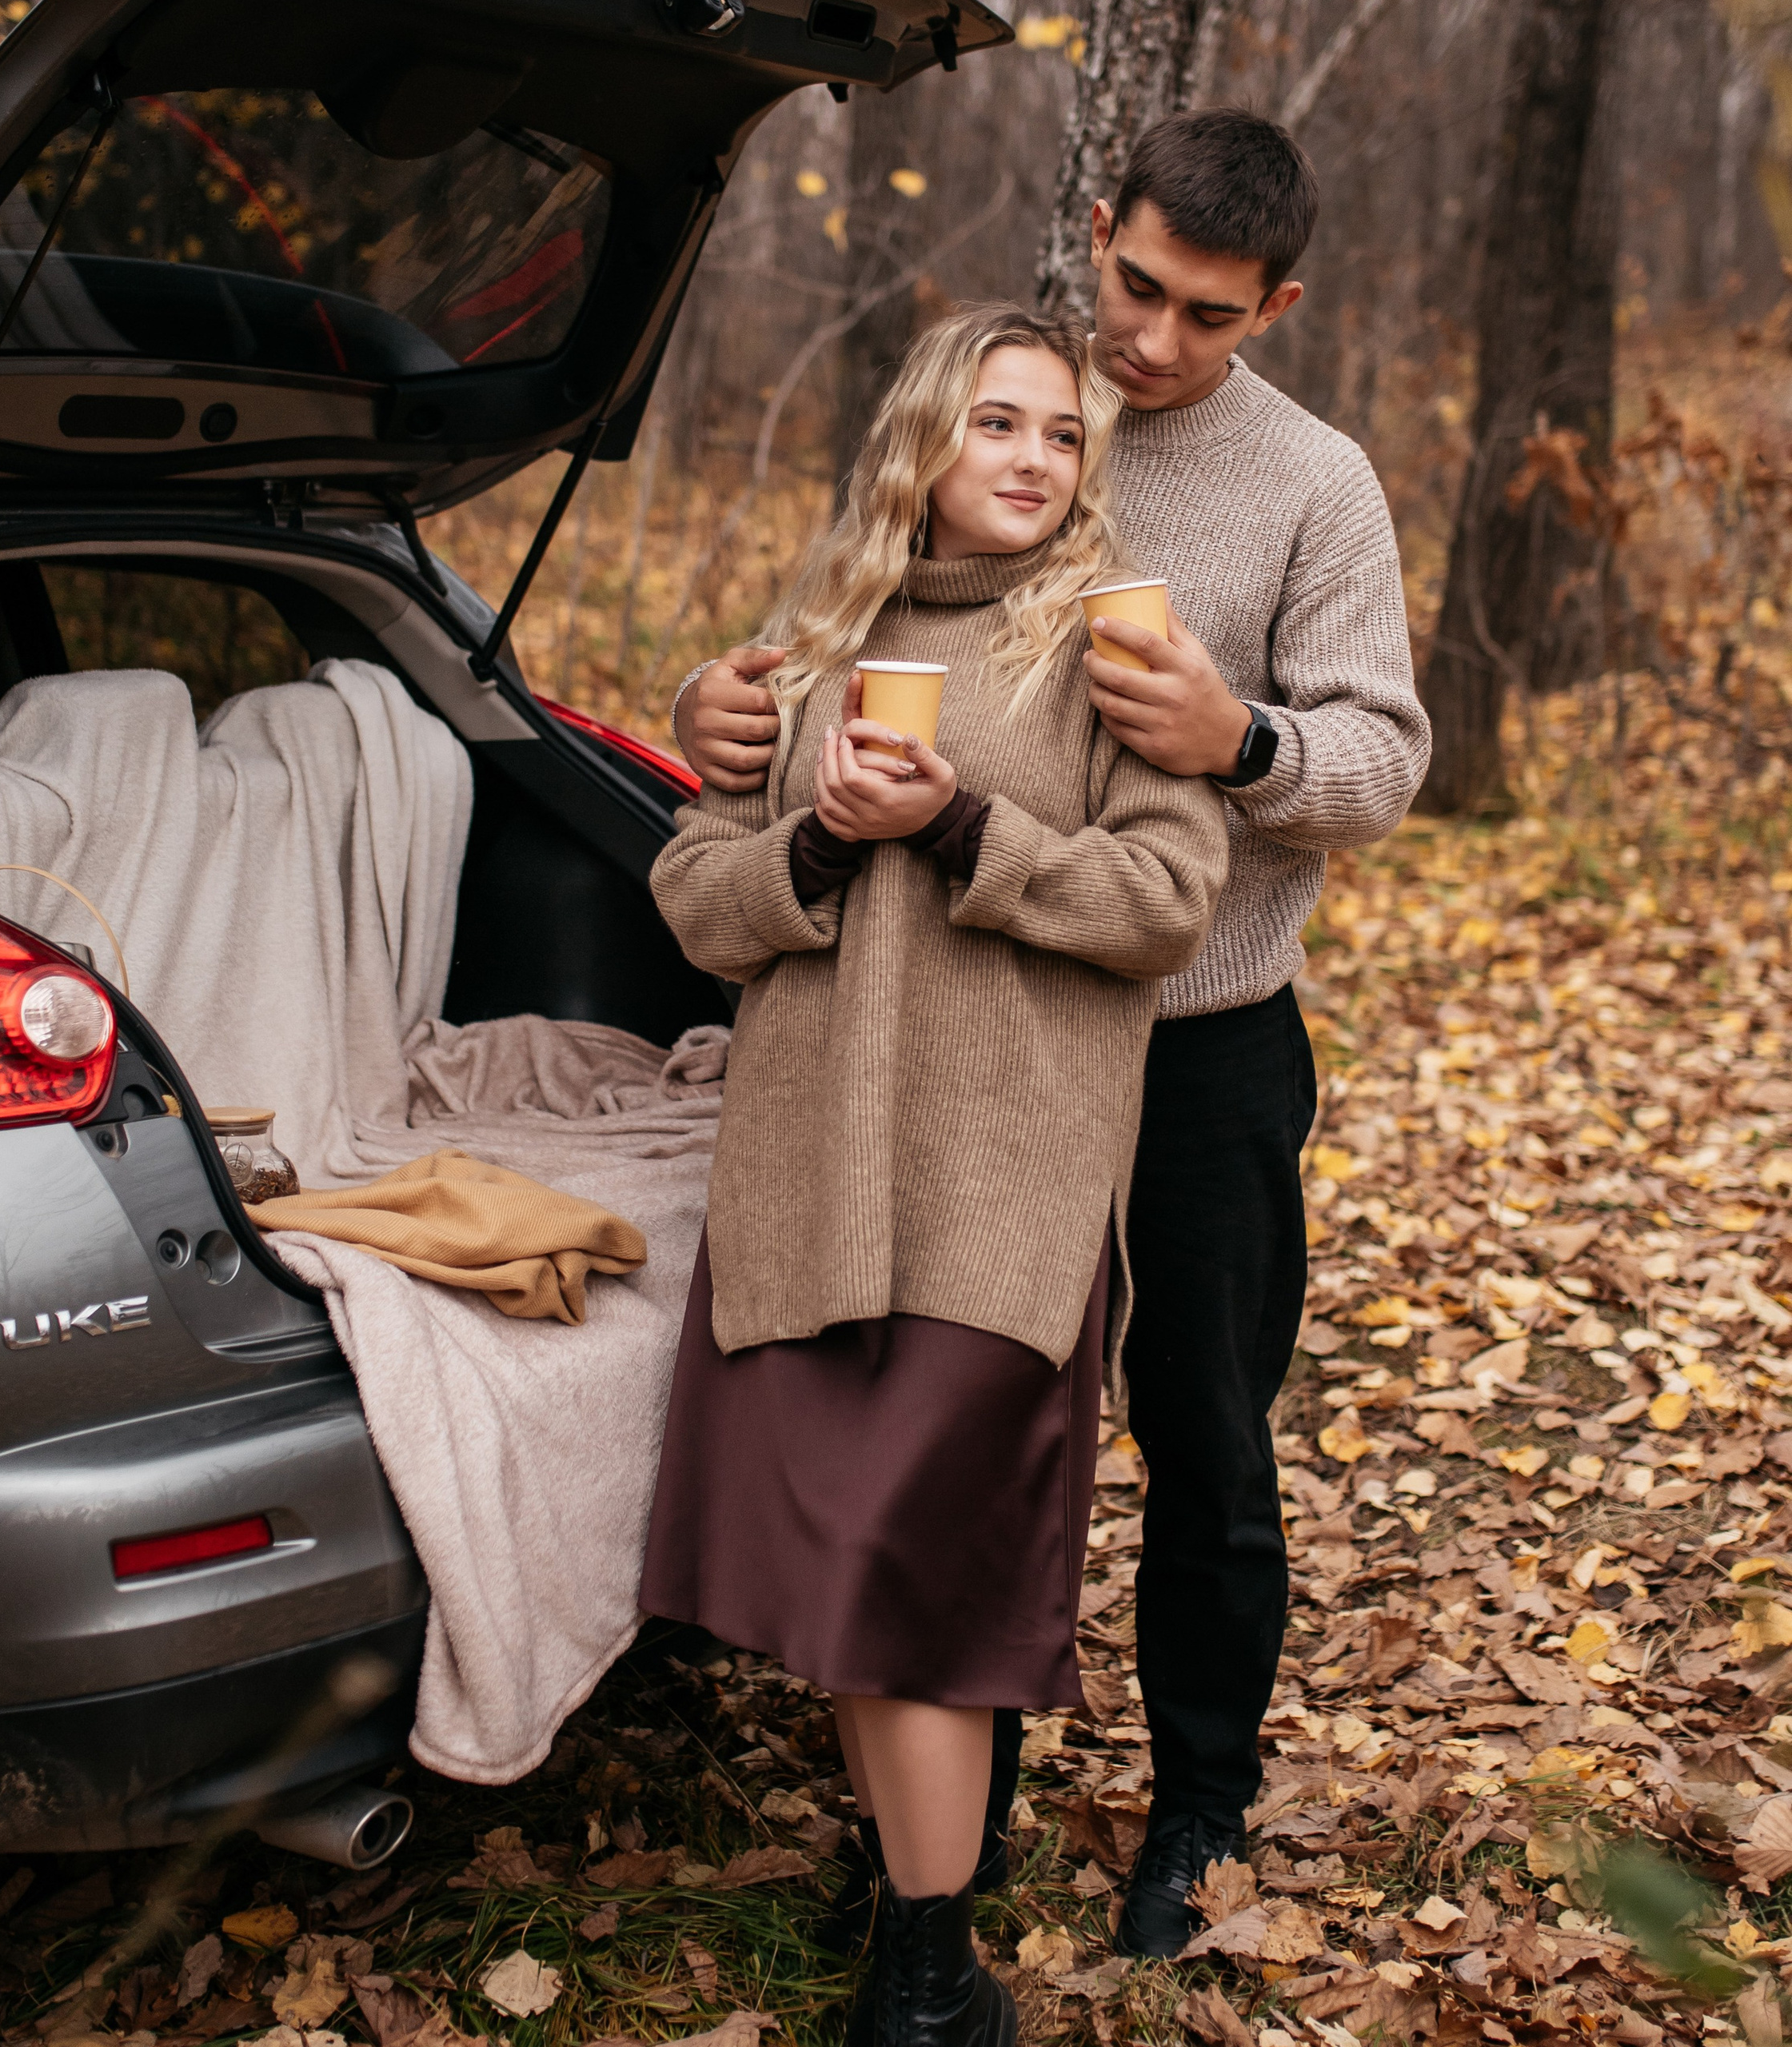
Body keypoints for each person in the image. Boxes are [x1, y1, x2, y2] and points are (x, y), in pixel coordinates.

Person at [665, 110, 1431, 1957]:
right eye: (1134, 288)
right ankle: (946, 1830)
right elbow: (835, 634)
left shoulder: (1311, 484)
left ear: (1276, 307)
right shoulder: (1002, 410)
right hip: (973, 1039)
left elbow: (1381, 757)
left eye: (1207, 317)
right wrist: (713, 706)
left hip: (1194, 1033)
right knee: (961, 1423)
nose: (1151, 342)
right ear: (1096, 231)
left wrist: (1233, 742)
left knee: (1198, 1429)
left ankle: (1197, 1799)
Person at [640, 302, 1228, 2047]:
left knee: (910, 1569)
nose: (1033, 459)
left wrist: (960, 825)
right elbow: (692, 894)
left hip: (1007, 1182)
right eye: (995, 424)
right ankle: (925, 1908)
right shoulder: (808, 638)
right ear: (923, 438)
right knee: (843, 1573)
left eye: (1059, 433)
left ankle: (925, 1973)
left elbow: (1162, 904)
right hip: (811, 1170)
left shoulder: (1112, 646)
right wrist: (817, 835)